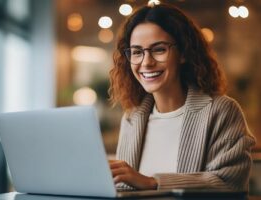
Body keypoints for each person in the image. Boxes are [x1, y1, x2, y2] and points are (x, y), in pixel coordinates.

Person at [108, 3, 256, 191]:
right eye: (137, 52)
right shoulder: (132, 117)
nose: (146, 62)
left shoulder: (222, 110)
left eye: (159, 49)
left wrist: (152, 182)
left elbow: (229, 181)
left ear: (184, 53)